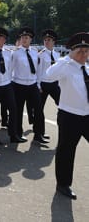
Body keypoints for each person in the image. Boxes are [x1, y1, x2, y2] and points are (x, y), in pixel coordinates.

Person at [45, 32, 89, 200]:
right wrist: (68, 58)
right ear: (72, 51)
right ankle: (63, 184)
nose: (84, 55)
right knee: (66, 152)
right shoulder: (65, 67)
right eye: (80, 51)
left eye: (86, 51)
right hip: (70, 116)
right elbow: (48, 75)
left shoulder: (87, 68)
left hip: (87, 116)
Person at [0, 27, 26, 144]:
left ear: (4, 40)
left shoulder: (9, 52)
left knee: (13, 109)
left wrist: (10, 80)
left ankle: (13, 135)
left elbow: (11, 68)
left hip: (7, 85)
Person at [11, 27, 48, 144]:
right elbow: (10, 69)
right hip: (19, 85)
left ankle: (39, 134)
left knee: (38, 110)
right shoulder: (15, 52)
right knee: (18, 110)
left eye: (26, 38)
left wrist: (38, 84)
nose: (24, 40)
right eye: (22, 37)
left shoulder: (35, 52)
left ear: (31, 39)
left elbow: (37, 69)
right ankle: (17, 134)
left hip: (32, 85)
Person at [37, 29, 60, 139]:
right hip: (43, 85)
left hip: (55, 84)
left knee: (63, 106)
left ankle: (64, 129)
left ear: (53, 41)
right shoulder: (40, 55)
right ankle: (39, 133)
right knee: (39, 109)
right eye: (45, 40)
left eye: (49, 40)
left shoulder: (57, 54)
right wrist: (38, 85)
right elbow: (38, 71)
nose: (46, 42)